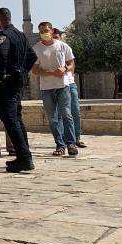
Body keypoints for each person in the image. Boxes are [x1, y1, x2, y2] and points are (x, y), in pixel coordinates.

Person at [0, 7, 37, 173]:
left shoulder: (3, 36)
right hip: (18, 80)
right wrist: (22, 72)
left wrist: (0, 77)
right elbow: (32, 57)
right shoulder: (21, 35)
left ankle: (24, 158)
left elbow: (2, 56)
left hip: (8, 82)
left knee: (10, 119)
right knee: (16, 118)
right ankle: (24, 155)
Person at [33, 21, 78, 157]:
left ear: (52, 31)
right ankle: (60, 144)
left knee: (67, 115)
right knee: (53, 118)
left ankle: (71, 143)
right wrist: (49, 73)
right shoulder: (36, 49)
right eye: (41, 31)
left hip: (62, 86)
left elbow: (71, 64)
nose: (44, 33)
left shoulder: (63, 46)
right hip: (46, 88)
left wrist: (65, 68)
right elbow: (34, 70)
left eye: (46, 30)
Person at [53, 28, 86, 148]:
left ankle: (77, 137)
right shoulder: (49, 50)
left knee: (75, 111)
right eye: (53, 37)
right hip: (56, 85)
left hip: (69, 83)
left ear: (60, 37)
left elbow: (72, 65)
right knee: (60, 114)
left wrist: (68, 75)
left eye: (57, 37)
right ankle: (63, 140)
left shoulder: (65, 48)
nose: (55, 39)